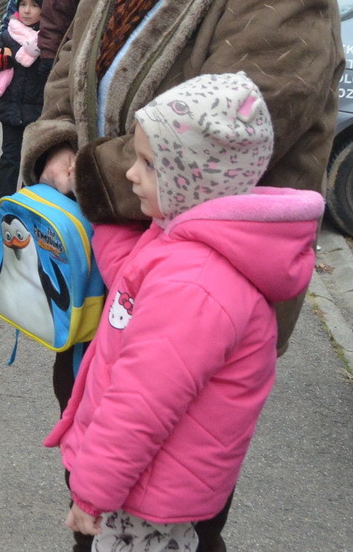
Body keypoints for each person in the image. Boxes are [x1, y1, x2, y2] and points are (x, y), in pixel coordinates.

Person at [22, 0, 352, 551]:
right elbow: (70, 64)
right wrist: (56, 142)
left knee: (170, 499)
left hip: (199, 294)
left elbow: (227, 142)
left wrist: (85, 177)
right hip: (114, 257)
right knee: (96, 457)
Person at [48, 72, 319, 552]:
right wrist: (101, 225)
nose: (130, 174)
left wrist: (92, 492)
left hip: (146, 499)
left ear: (195, 178)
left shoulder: (197, 286)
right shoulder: (190, 237)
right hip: (150, 480)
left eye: (149, 165)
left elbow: (142, 405)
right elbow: (137, 273)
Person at [0, 0, 49, 201]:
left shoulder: (49, 40)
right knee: (9, 156)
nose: (27, 10)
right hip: (11, 106)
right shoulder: (7, 36)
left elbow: (51, 72)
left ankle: (28, 202)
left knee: (32, 159)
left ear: (44, 9)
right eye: (23, 4)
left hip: (37, 107)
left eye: (34, 5)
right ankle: (3, 202)